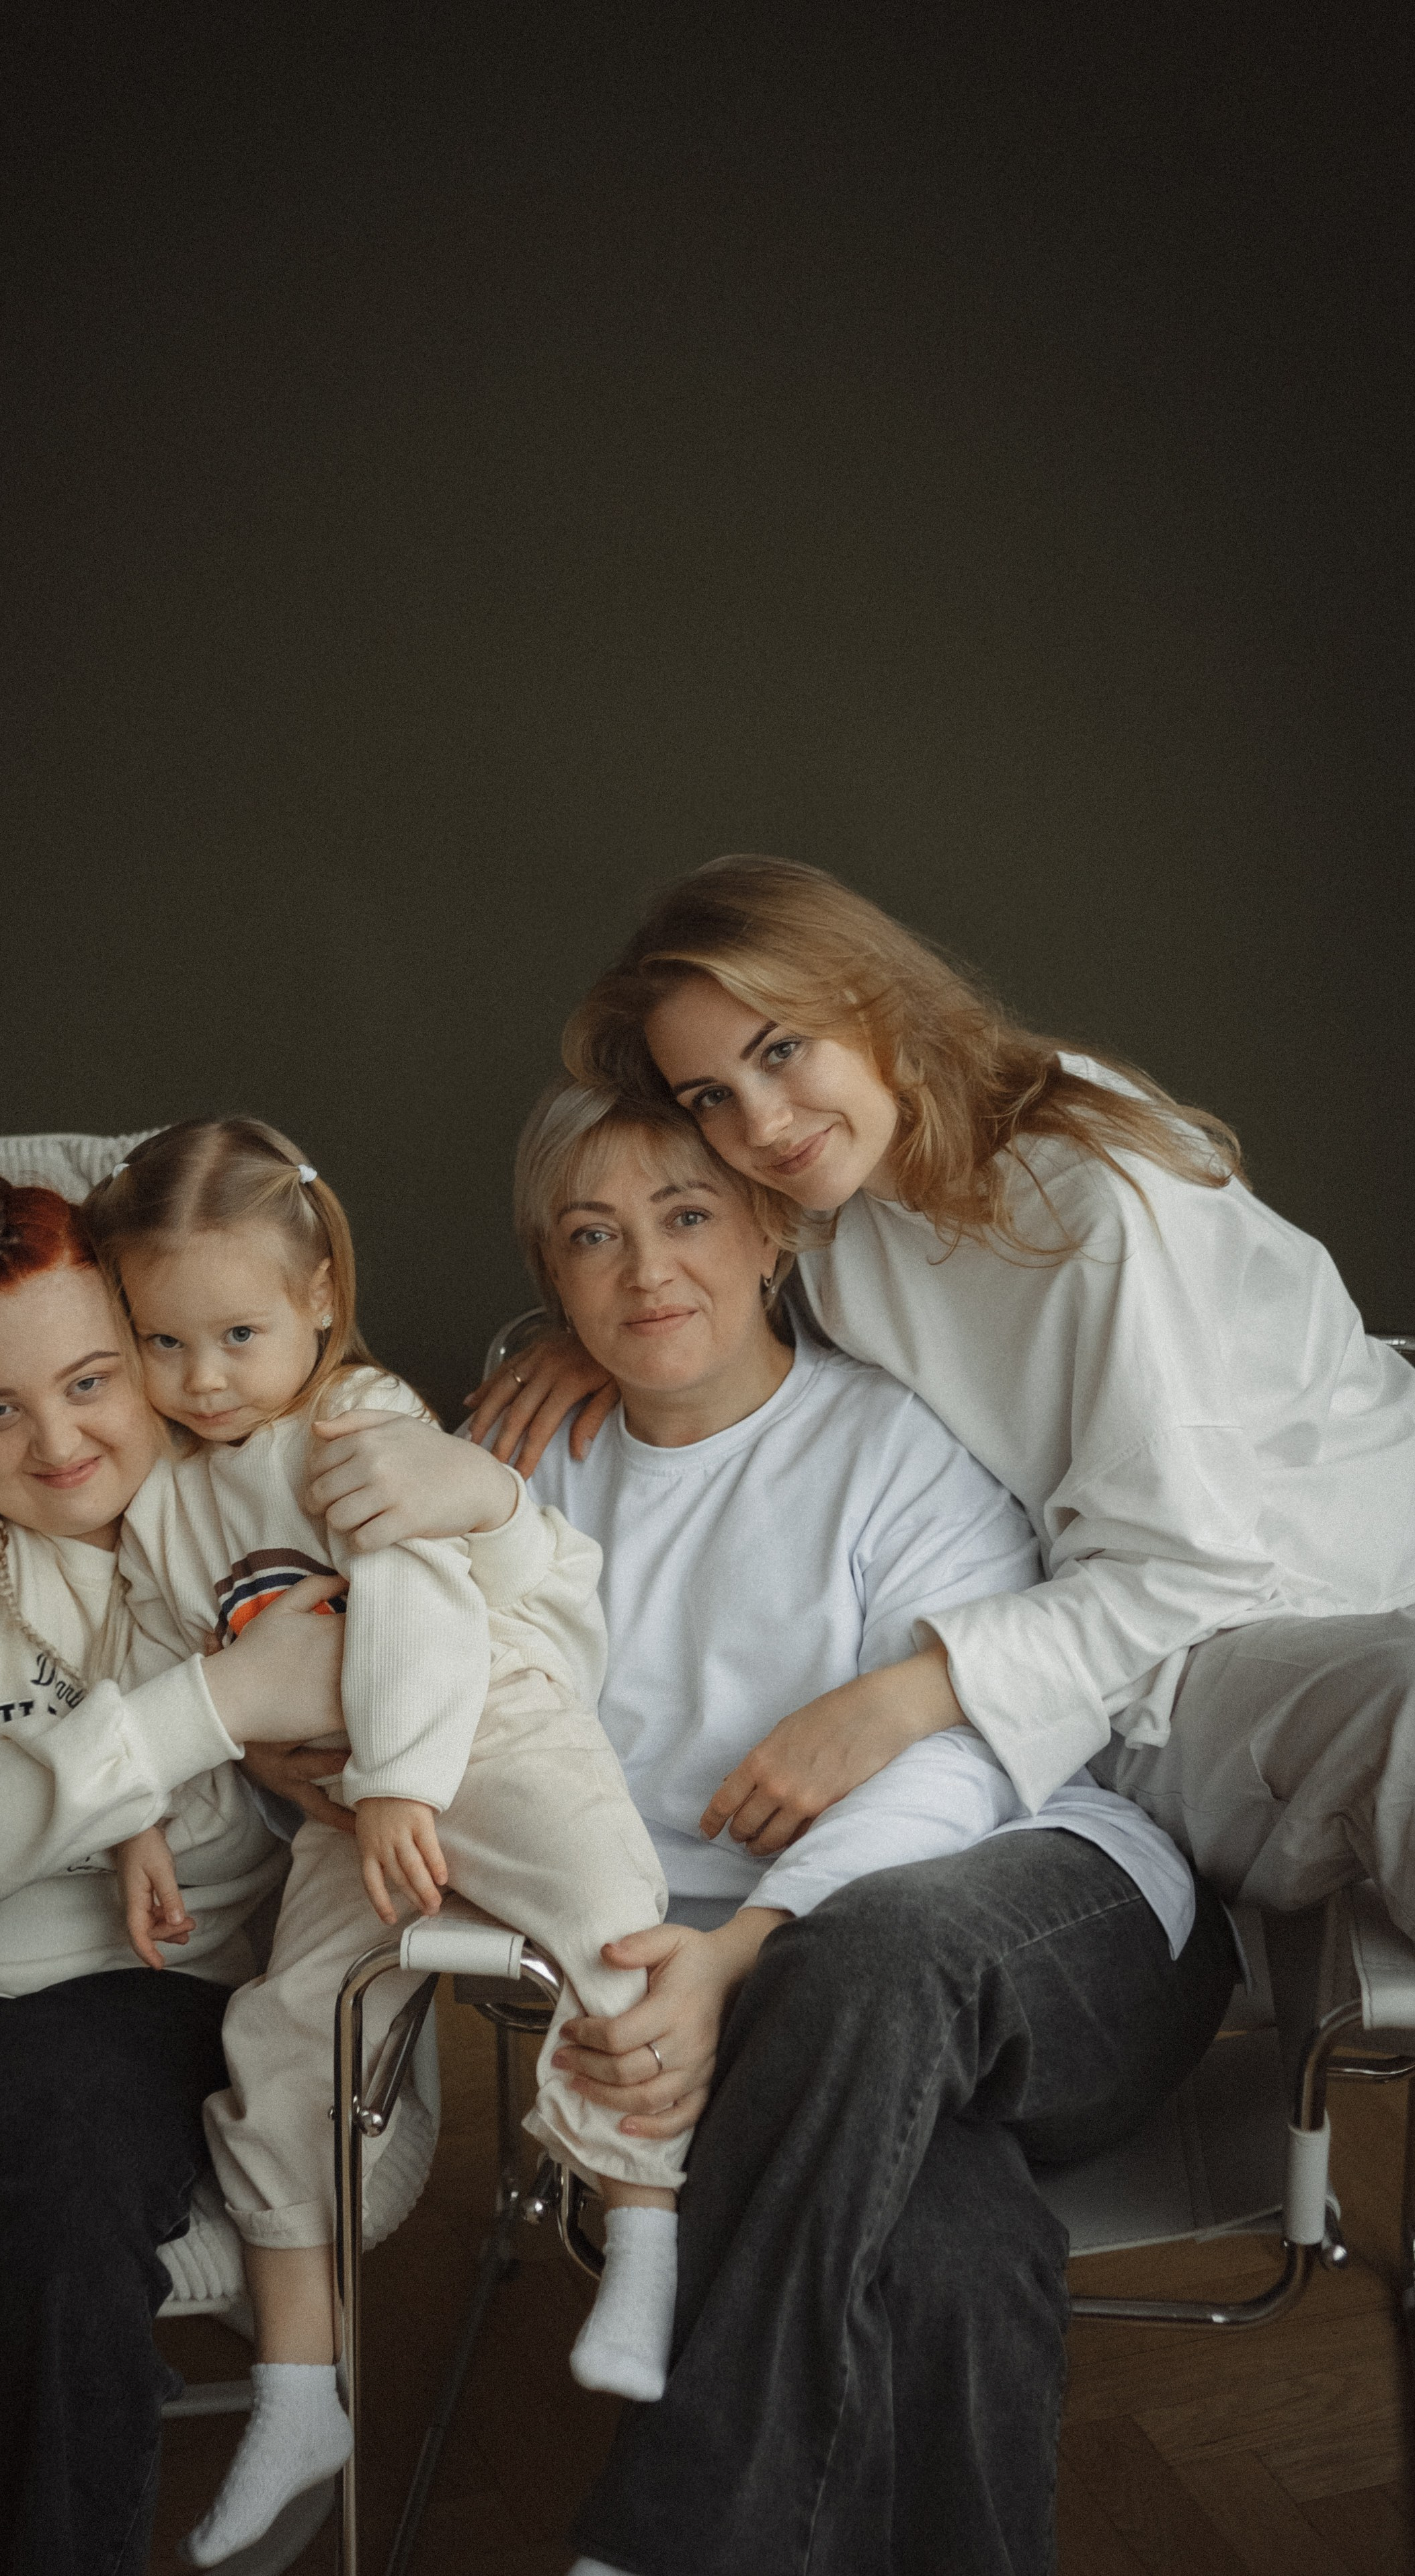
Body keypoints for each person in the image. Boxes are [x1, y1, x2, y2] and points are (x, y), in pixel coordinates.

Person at [315, 1079, 1235, 2576]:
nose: (644, 1270)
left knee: (869, 1948)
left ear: (766, 1234)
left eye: (685, 1216)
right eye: (591, 1237)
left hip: (1040, 1928)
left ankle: (675, 2529)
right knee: (943, 2248)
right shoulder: (513, 1476)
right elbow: (437, 1717)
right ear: (550, 1278)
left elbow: (963, 1761)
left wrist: (737, 1948)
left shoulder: (897, 1444)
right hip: (749, 2015)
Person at [0, 1175, 557, 2576]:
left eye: (93, 1380)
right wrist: (222, 1704)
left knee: (45, 2224)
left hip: (130, 1970)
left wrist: (492, 1512)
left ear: (151, 1339)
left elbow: (493, 1645)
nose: (56, 1444)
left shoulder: (262, 1472)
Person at [469, 853, 1415, 1941]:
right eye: (710, 1097)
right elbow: (698, 1264)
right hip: (1101, 1658)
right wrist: (607, 1333)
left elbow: (1194, 1567)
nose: (762, 1124)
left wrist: (907, 1697)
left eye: (781, 1050)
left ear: (873, 1002)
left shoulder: (1094, 1198)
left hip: (1288, 1607)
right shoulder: (835, 1205)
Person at [83, 1118, 694, 2569]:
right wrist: (133, 1818)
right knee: (284, 2035)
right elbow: (148, 1661)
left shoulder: (356, 1417)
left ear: (317, 1298)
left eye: (237, 1335)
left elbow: (417, 1597)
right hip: (352, 1806)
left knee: (612, 1917)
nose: (204, 1378)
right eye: (163, 1343)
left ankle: (645, 2233)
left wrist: (407, 1784)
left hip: (483, 1731)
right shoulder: (161, 1493)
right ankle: (301, 2390)